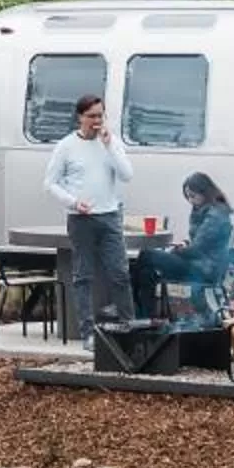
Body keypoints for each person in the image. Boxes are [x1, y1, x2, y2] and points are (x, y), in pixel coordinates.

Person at [42, 91, 134, 342]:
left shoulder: (111, 143)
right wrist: (73, 202)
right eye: (92, 116)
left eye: (100, 115)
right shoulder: (66, 146)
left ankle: (129, 329)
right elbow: (50, 184)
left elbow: (127, 175)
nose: (97, 121)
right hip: (80, 218)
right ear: (80, 117)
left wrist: (110, 146)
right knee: (83, 276)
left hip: (110, 216)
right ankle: (87, 333)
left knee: (120, 273)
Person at [135, 172, 234, 321]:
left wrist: (177, 251)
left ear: (204, 192)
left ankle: (139, 311)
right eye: (188, 197)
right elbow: (201, 242)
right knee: (146, 271)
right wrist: (185, 244)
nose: (190, 200)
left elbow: (198, 249)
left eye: (193, 196)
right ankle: (146, 315)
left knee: (146, 255)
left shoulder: (215, 215)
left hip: (203, 269)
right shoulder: (210, 209)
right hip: (201, 263)